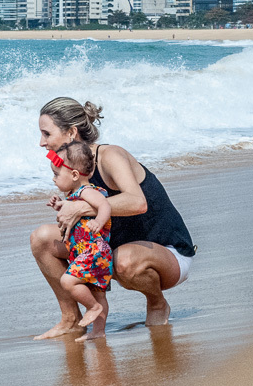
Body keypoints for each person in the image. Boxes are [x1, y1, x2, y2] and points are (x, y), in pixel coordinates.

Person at [32, 97, 195, 339]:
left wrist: (82, 209)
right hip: (112, 249)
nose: (41, 142)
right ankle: (72, 318)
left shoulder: (110, 156)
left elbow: (137, 202)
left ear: (71, 133)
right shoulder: (70, 170)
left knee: (124, 261)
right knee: (42, 238)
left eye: (47, 134)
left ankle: (157, 302)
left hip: (166, 252)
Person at [46, 141, 113, 342]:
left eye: (57, 174)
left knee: (67, 280)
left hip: (94, 250)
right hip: (88, 251)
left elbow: (105, 206)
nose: (53, 178)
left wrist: (100, 221)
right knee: (97, 292)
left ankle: (92, 308)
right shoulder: (75, 195)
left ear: (75, 175)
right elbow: (76, 213)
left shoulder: (86, 192)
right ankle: (98, 331)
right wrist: (59, 205)